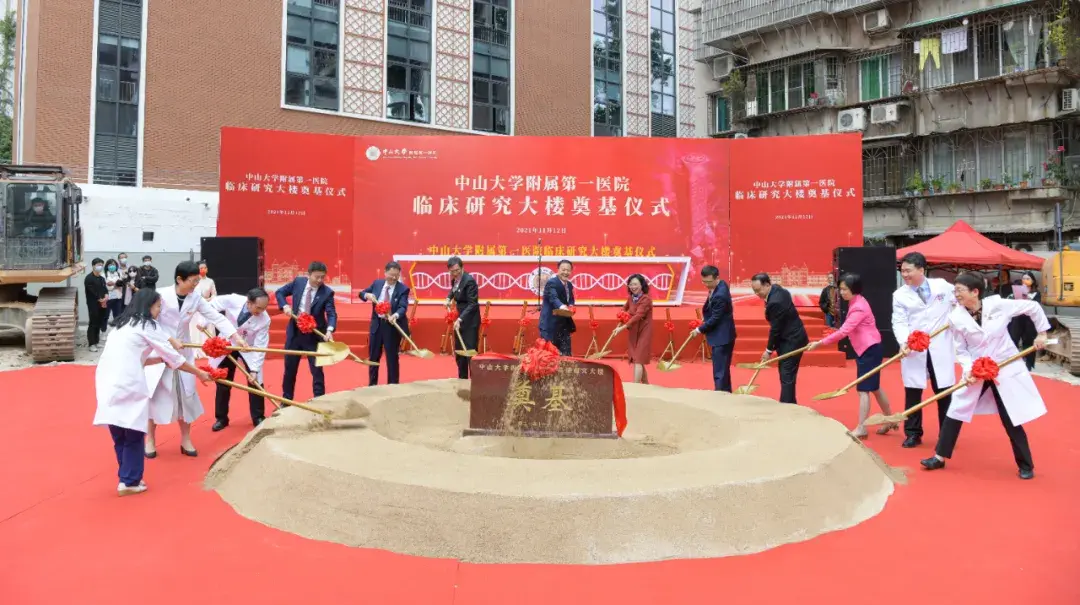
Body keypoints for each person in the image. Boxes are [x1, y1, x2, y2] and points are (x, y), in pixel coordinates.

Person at [921, 272, 1049, 480]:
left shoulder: (998, 305)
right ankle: (939, 457)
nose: (956, 295)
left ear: (975, 292)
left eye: (960, 290)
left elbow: (1033, 307)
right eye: (955, 291)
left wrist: (1042, 333)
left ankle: (1026, 465)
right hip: (977, 369)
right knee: (956, 408)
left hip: (1004, 366)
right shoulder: (956, 317)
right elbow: (961, 350)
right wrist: (968, 371)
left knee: (1010, 416)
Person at [93, 289, 212, 496]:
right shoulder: (148, 325)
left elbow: (137, 357)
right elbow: (176, 359)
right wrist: (200, 373)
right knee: (133, 432)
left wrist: (159, 359)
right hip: (128, 383)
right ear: (148, 307)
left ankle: (126, 477)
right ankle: (130, 482)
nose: (159, 311)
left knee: (119, 432)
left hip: (106, 381)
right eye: (157, 307)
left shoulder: (121, 325)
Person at [144, 261, 245, 458]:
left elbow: (217, 317)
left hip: (184, 351)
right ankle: (150, 440)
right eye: (192, 281)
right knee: (155, 396)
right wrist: (169, 339)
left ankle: (186, 439)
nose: (196, 285)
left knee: (187, 396)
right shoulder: (160, 295)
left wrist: (235, 336)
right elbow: (148, 322)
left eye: (198, 281)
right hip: (160, 351)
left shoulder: (195, 297)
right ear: (179, 279)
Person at [808, 273, 898, 437]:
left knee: (863, 390)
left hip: (869, 349)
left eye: (845, 289)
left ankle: (862, 427)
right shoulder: (856, 301)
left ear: (854, 289)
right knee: (875, 388)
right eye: (841, 289)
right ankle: (890, 419)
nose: (841, 292)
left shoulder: (858, 307)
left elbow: (843, 331)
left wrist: (820, 343)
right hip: (870, 348)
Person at [891, 251, 957, 449]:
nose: (905, 274)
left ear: (921, 269)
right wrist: (904, 342)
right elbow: (899, 321)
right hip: (915, 348)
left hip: (940, 345)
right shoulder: (900, 295)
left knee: (944, 391)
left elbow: (959, 302)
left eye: (908, 270)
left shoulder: (943, 286)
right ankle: (913, 433)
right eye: (902, 271)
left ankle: (946, 435)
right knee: (913, 390)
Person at [206, 288, 271, 430]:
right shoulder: (234, 299)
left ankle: (258, 416)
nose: (261, 312)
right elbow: (210, 306)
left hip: (249, 348)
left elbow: (260, 345)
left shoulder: (265, 319)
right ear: (249, 303)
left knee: (255, 381)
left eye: (264, 308)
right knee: (223, 381)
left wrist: (254, 369)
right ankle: (221, 418)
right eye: (258, 308)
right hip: (227, 343)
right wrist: (204, 322)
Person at [277, 261, 338, 400]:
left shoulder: (327, 292)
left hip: (314, 335)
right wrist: (285, 306)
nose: (320, 280)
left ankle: (319, 400)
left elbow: (331, 313)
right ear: (309, 274)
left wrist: (329, 330)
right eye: (317, 277)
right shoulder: (298, 282)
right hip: (295, 333)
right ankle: (286, 400)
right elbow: (280, 292)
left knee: (317, 371)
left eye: (323, 277)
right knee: (290, 369)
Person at [752, 273, 808, 404]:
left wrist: (768, 350)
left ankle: (786, 406)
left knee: (786, 374)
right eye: (754, 291)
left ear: (767, 285)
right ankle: (790, 403)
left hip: (791, 340)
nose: (757, 294)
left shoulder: (775, 302)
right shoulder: (777, 289)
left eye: (758, 290)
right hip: (792, 336)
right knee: (788, 374)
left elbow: (775, 330)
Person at [360, 261, 410, 385]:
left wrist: (395, 315)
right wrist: (367, 295)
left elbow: (403, 307)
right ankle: (372, 385)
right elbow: (361, 293)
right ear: (385, 272)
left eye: (396, 275)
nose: (394, 278)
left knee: (392, 358)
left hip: (391, 326)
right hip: (377, 325)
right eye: (391, 275)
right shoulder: (377, 284)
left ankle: (392, 386)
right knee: (373, 357)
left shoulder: (403, 289)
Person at [690, 265, 737, 391]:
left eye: (709, 282)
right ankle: (726, 392)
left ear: (717, 278)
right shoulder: (720, 285)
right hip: (723, 334)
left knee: (720, 371)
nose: (706, 285)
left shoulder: (720, 295)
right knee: (723, 369)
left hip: (722, 337)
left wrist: (698, 330)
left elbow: (716, 318)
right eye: (704, 281)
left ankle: (720, 395)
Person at [614, 274, 654, 384]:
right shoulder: (631, 298)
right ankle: (646, 384)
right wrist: (621, 314)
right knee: (637, 358)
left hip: (644, 331)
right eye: (631, 284)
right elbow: (624, 308)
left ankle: (635, 386)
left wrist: (623, 327)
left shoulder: (646, 299)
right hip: (634, 330)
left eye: (635, 284)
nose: (633, 287)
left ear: (642, 285)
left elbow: (638, 315)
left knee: (638, 358)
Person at [445, 256, 479, 379]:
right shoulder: (455, 279)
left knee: (469, 352)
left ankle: (475, 381)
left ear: (462, 267)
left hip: (469, 320)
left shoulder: (469, 281)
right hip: (459, 318)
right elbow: (454, 290)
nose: (455, 273)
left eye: (457, 270)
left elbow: (473, 304)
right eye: (452, 271)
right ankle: (462, 379)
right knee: (460, 352)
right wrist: (448, 298)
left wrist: (460, 319)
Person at [539, 259, 576, 355]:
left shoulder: (569, 285)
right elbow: (553, 297)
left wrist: (571, 305)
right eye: (563, 270)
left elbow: (571, 298)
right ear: (558, 270)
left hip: (563, 324)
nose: (566, 272)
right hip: (550, 323)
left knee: (566, 354)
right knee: (549, 355)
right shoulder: (552, 283)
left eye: (568, 270)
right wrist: (561, 306)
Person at [1008, 271, 1042, 371]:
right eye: (1024, 278)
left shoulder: (1036, 293)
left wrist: (1027, 300)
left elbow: (1036, 306)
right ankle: (1012, 363)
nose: (1025, 280)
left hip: (1029, 321)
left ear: (1033, 281)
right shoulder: (1017, 291)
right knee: (1013, 340)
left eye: (1028, 279)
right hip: (1017, 319)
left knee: (1028, 342)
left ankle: (1029, 364)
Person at [189, 261, 218, 358]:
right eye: (201, 268)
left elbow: (214, 294)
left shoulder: (210, 281)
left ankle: (208, 350)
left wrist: (207, 300)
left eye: (205, 268)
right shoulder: (194, 280)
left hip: (206, 306)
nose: (203, 270)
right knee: (194, 329)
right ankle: (194, 351)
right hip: (195, 308)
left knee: (207, 328)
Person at [84, 258, 108, 352]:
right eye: (98, 265)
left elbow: (105, 289)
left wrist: (106, 296)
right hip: (93, 304)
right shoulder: (89, 278)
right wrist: (100, 299)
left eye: (101, 265)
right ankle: (91, 344)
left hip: (102, 303)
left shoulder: (102, 278)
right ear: (93, 266)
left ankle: (96, 341)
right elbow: (92, 291)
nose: (100, 267)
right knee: (93, 323)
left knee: (99, 322)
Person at [103, 259, 126, 328]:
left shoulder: (119, 274)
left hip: (118, 298)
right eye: (110, 265)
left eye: (113, 264)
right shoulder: (103, 275)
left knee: (117, 315)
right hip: (107, 298)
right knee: (105, 316)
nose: (112, 266)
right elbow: (105, 287)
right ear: (107, 266)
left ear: (116, 265)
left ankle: (117, 330)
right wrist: (115, 285)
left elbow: (122, 284)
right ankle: (103, 330)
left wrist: (112, 284)